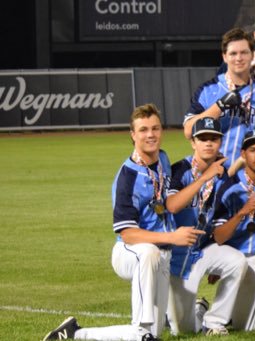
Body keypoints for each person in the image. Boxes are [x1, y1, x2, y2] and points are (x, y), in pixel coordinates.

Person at [45, 104, 204, 340]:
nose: (150, 134)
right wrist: (172, 237)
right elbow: (128, 233)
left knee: (151, 333)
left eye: (155, 128)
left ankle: (75, 333)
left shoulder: (162, 157)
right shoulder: (127, 178)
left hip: (162, 256)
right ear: (133, 135)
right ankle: (142, 328)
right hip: (130, 252)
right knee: (148, 253)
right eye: (143, 130)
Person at [165, 117, 246, 336]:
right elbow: (172, 206)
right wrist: (203, 179)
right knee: (181, 330)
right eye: (203, 139)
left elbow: (219, 231)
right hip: (177, 256)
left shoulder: (225, 180)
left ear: (220, 143)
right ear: (193, 143)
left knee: (237, 261)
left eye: (213, 139)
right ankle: (198, 309)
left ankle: (215, 322)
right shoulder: (179, 170)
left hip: (202, 250)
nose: (208, 143)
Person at [210, 130, 255, 332]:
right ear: (243, 154)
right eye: (253, 150)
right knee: (246, 327)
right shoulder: (229, 186)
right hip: (240, 259)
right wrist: (241, 213)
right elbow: (219, 236)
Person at [184, 28, 255, 164]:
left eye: (244, 53)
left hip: (248, 177)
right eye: (233, 53)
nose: (239, 58)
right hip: (212, 174)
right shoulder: (208, 90)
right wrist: (220, 105)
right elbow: (188, 131)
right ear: (224, 57)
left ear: (252, 55)